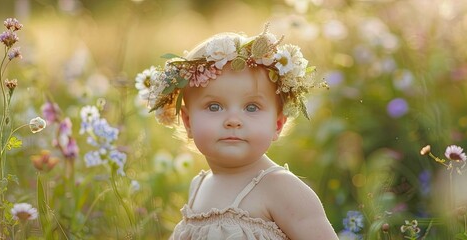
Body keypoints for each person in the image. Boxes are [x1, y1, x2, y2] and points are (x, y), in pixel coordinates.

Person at [136, 24, 338, 239]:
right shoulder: (199, 186)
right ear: (188, 122)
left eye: (252, 107)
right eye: (214, 106)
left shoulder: (282, 188)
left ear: (277, 124)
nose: (233, 121)